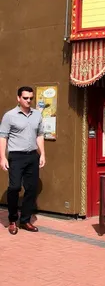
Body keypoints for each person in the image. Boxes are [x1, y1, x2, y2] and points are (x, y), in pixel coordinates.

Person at [0, 86, 46, 235]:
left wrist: (43, 154)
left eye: (31, 98)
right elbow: (3, 137)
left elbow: (40, 135)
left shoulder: (37, 115)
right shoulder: (10, 116)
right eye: (25, 98)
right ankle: (13, 220)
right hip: (16, 156)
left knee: (31, 189)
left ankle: (25, 220)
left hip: (32, 156)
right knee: (14, 188)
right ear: (18, 98)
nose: (28, 101)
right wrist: (2, 157)